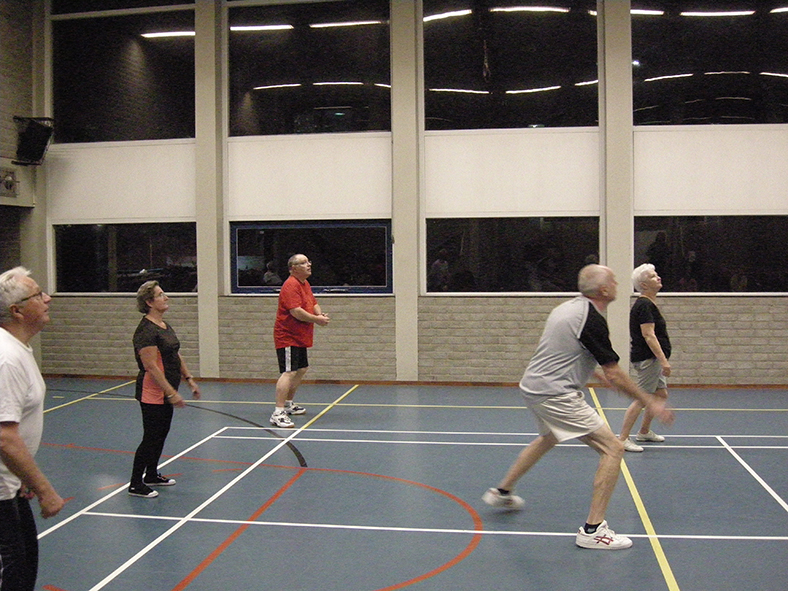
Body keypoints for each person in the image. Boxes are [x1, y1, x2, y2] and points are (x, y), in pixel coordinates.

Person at [482, 264, 674, 550]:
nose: (617, 283)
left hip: (533, 387)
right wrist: (651, 403)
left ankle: (502, 491)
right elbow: (615, 373)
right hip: (555, 394)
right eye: (613, 280)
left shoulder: (566, 309)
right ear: (604, 290)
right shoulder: (591, 319)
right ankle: (593, 530)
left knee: (549, 437)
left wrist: (593, 373)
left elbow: (564, 351)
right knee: (613, 448)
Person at [0, 266, 65, 591]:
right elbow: (4, 437)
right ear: (17, 311)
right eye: (38, 295)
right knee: (14, 572)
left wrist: (22, 476)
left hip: (10, 484)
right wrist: (45, 490)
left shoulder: (18, 349)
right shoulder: (6, 358)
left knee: (25, 565)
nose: (47, 298)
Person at [129, 281, 201, 498]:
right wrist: (171, 392)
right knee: (150, 437)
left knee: (161, 435)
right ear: (149, 302)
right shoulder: (145, 331)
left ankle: (151, 474)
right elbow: (151, 367)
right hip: (152, 393)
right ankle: (135, 483)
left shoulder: (164, 326)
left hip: (167, 391)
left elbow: (175, 354)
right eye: (160, 295)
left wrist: (188, 379)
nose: (166, 297)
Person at [271, 254, 329, 428]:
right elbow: (296, 312)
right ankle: (278, 412)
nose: (308, 264)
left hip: (300, 335)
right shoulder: (290, 285)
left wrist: (319, 314)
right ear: (293, 268)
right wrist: (317, 320)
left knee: (301, 369)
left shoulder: (304, 284)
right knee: (288, 372)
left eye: (308, 261)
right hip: (287, 335)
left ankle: (288, 404)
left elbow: (312, 303)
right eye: (303, 263)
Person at [619, 263, 672, 452]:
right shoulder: (644, 305)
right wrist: (664, 361)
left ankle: (644, 431)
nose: (658, 277)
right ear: (643, 285)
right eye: (652, 276)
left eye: (656, 274)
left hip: (653, 360)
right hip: (648, 360)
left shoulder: (649, 304)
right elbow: (648, 335)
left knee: (661, 394)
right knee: (642, 398)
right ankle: (622, 439)